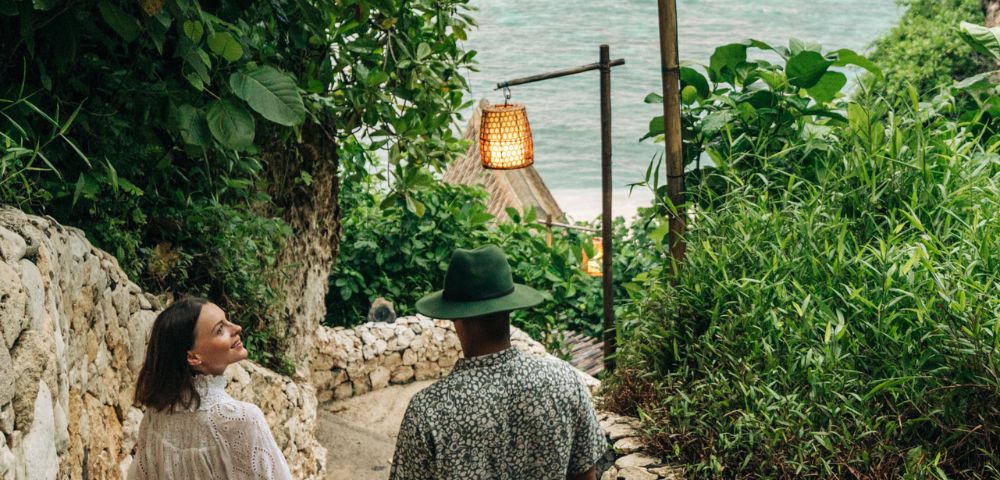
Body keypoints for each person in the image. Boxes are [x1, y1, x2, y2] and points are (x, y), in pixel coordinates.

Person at [390, 245, 607, 480]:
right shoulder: (565, 381)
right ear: (509, 308)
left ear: (454, 316)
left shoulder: (428, 410)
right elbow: (586, 474)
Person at [127, 297, 292, 479]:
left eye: (227, 320)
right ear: (193, 357)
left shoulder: (156, 415)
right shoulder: (243, 419)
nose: (237, 328)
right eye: (220, 330)